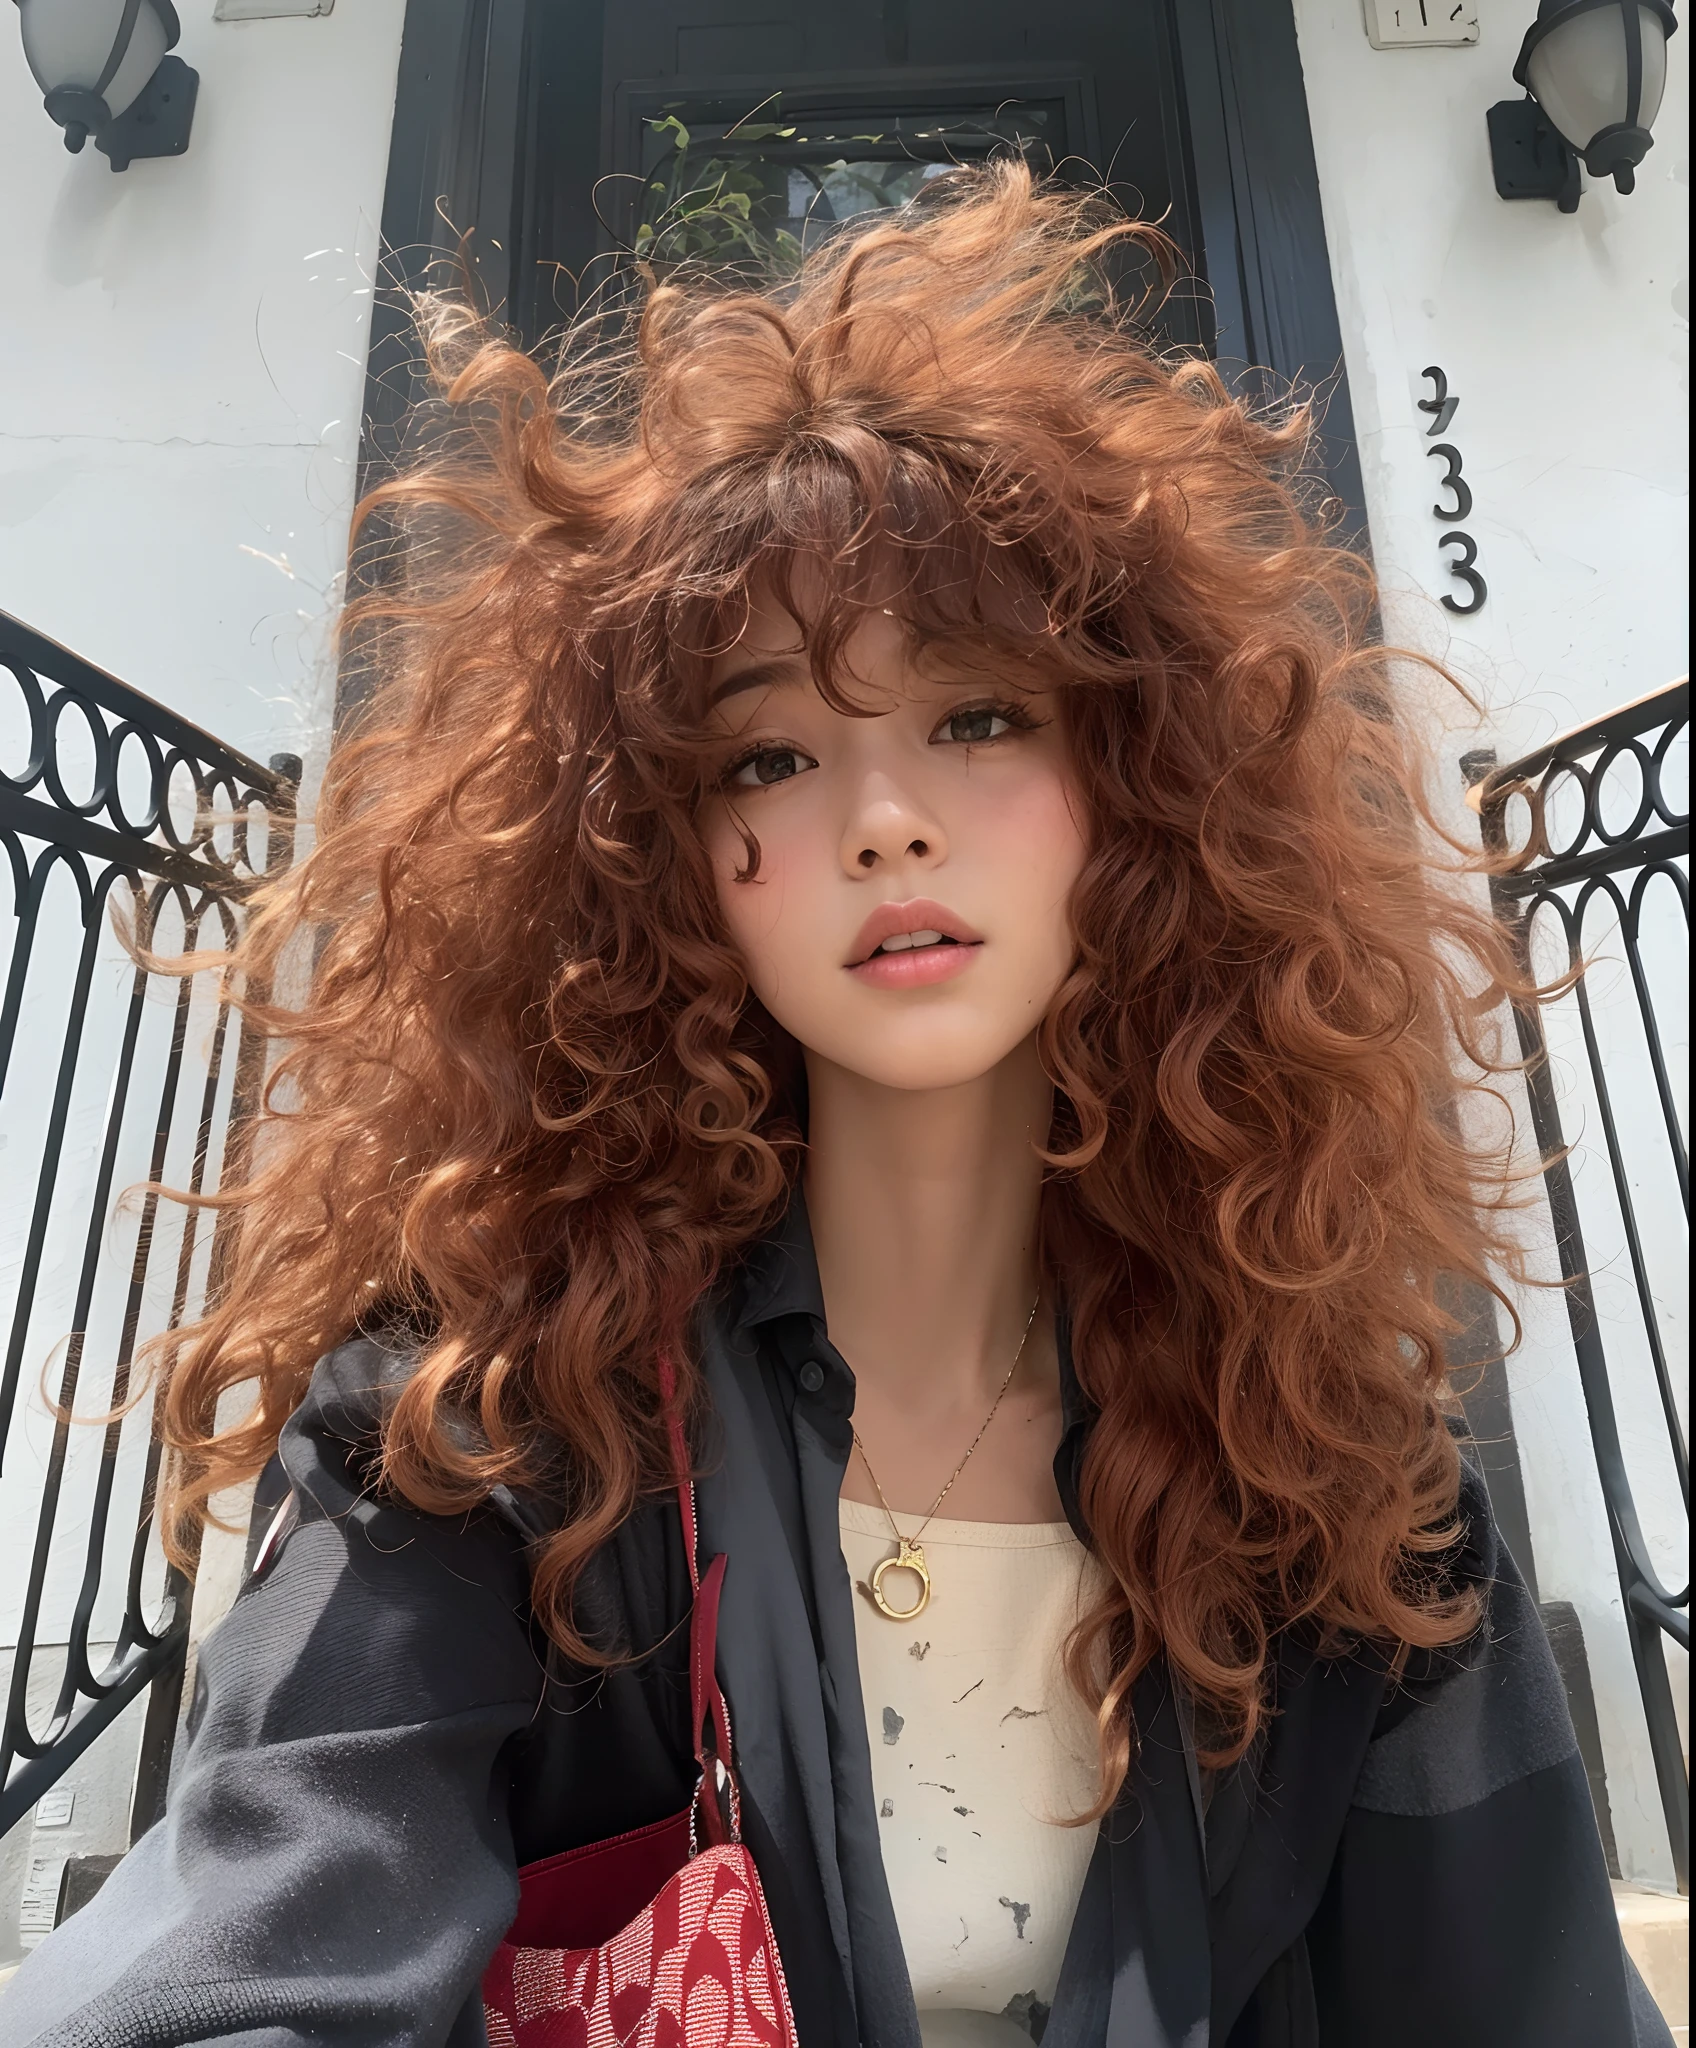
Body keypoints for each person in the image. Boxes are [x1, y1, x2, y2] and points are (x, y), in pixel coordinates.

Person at [3, 165, 1668, 2048]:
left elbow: (1522, 1999)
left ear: (1137, 789)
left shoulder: (1337, 1478)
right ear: (670, 863)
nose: (881, 814)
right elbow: (263, 1934)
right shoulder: (487, 1438)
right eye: (774, 754)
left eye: (978, 716)